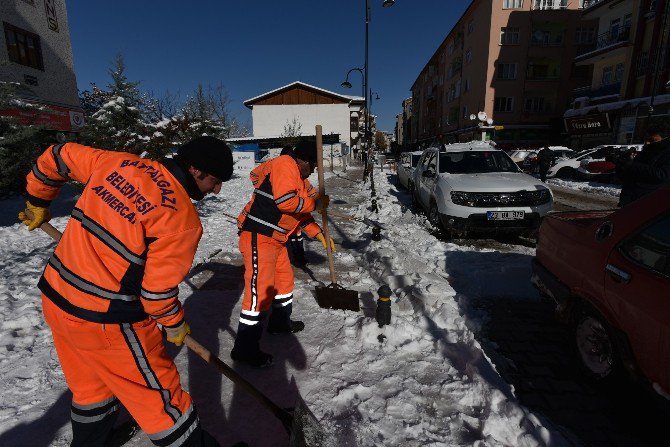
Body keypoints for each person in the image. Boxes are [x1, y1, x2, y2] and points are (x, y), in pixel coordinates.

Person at [18, 137, 234, 447]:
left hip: (57, 298)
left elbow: (57, 155)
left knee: (91, 391)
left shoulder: (119, 163)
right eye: (215, 180)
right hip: (107, 321)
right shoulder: (181, 219)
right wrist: (173, 322)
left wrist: (37, 200)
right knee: (166, 408)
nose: (217, 189)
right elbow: (157, 294)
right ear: (196, 170)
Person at [232, 139, 335, 367]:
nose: (315, 170)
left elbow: (304, 210)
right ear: (304, 160)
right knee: (260, 292)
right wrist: (315, 204)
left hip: (277, 240)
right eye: (314, 165)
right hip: (259, 236)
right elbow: (287, 202)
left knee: (284, 284)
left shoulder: (300, 178)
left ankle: (279, 322)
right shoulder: (284, 165)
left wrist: (318, 233)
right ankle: (245, 348)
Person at [617, 120, 670, 207]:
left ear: (666, 138)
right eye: (646, 139)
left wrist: (632, 165)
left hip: (649, 205)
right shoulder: (645, 151)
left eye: (652, 140)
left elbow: (662, 175)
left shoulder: (667, 153)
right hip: (629, 200)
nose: (647, 143)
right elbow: (630, 175)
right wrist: (621, 165)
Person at [279, 146, 317, 266]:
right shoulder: (282, 175)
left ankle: (299, 256)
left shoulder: (302, 180)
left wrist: (318, 201)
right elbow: (286, 202)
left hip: (297, 215)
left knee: (297, 235)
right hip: (286, 216)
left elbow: (311, 192)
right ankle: (294, 256)